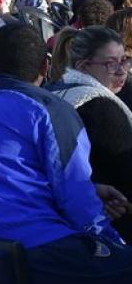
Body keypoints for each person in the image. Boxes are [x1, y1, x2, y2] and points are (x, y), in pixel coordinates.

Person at [0, 24, 132, 282]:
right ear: (44, 68)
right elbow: (78, 202)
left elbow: (10, 170)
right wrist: (115, 243)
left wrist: (93, 189)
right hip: (24, 253)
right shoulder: (49, 110)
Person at [47, 26, 132, 238]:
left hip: (68, 208)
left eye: (124, 60)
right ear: (84, 66)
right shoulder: (101, 107)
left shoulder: (54, 88)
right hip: (101, 227)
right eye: (111, 64)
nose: (123, 71)